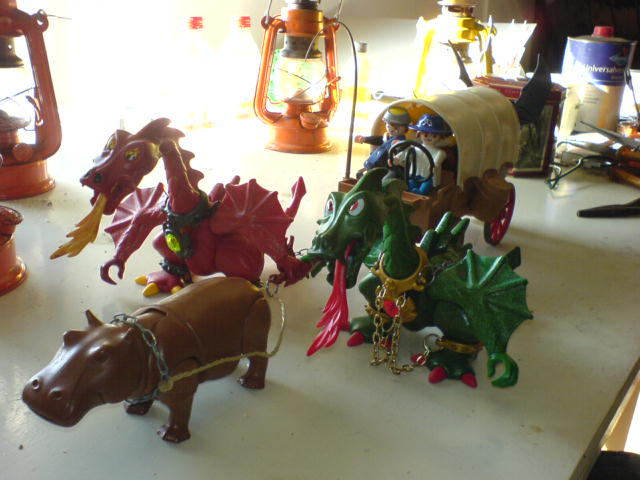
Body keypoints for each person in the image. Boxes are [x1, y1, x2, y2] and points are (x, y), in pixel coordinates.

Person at [354, 106, 411, 178]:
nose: (391, 129)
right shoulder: (387, 137)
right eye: (388, 125)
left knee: (386, 179)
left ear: (405, 128)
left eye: (396, 128)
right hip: (377, 165)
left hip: (391, 168)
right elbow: (379, 140)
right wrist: (365, 139)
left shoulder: (402, 142)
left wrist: (399, 147)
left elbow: (404, 148)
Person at [405, 113, 455, 193]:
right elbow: (406, 155)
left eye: (434, 136)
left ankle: (418, 195)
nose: (429, 137)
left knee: (424, 189)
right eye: (425, 135)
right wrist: (397, 158)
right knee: (408, 185)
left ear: (440, 137)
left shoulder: (440, 152)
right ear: (419, 134)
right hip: (415, 176)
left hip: (429, 179)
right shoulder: (415, 148)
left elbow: (436, 162)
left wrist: (434, 166)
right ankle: (412, 194)